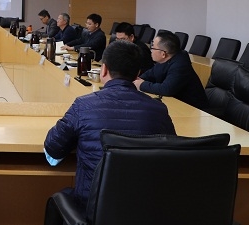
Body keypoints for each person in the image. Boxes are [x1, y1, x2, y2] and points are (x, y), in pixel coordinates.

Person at [44, 40, 176, 211]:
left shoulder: (83, 105)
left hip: (93, 209)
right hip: (144, 209)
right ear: (138, 74)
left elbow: (53, 151)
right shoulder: (159, 110)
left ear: (104, 69)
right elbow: (171, 157)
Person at [134, 31, 209, 110]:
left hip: (194, 109)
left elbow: (166, 89)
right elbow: (149, 74)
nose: (151, 51)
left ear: (163, 54)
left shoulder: (181, 65)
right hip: (177, 105)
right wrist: (137, 80)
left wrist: (142, 84)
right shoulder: (164, 60)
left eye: (153, 48)